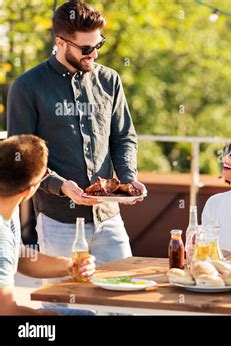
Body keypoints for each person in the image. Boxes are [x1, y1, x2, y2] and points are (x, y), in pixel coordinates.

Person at [7, 1, 146, 265]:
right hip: (59, 223)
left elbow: (124, 138)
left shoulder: (110, 80)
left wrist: (128, 179)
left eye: (98, 45)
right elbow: (22, 157)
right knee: (67, 302)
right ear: (60, 42)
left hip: (110, 220)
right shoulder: (26, 87)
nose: (93, 54)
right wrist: (61, 186)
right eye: (85, 48)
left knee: (121, 299)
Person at [0, 135, 95, 315]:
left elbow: (19, 256)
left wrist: (70, 266)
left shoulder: (8, 207)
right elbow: (6, 311)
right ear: (29, 190)